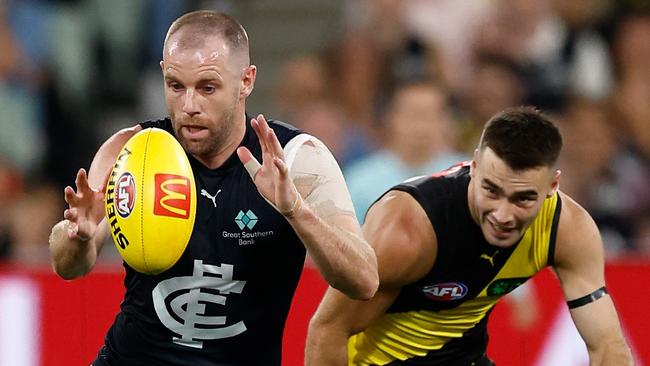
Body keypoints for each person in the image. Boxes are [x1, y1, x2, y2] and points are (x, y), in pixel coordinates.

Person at [48, 10, 378, 366]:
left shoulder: (296, 159)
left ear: (246, 81)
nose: (189, 106)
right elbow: (70, 267)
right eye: (176, 86)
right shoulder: (132, 151)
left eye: (207, 88)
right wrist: (76, 236)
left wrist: (296, 210)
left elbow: (364, 280)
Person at [306, 106, 633, 365]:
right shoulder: (408, 229)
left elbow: (607, 346)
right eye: (491, 190)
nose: (503, 215)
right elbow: (328, 331)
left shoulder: (567, 228)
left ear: (552, 187)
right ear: (474, 167)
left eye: (523, 199)